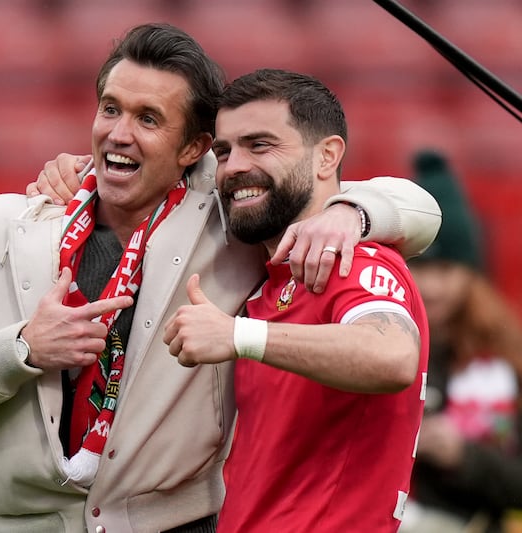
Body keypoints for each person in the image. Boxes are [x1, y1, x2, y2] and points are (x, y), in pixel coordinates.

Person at [0, 24, 440, 532]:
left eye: (148, 119)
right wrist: (22, 348)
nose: (119, 134)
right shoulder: (7, 223)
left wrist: (352, 210)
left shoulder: (232, 217)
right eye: (110, 109)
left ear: (193, 149)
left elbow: (417, 210)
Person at [162, 68, 429, 532]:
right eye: (223, 152)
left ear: (327, 157)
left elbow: (393, 356)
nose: (234, 166)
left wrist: (237, 334)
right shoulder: (272, 281)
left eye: (260, 145)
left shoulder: (354, 262)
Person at [400, 150, 522, 533]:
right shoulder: (378, 339)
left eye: (446, 269)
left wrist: (462, 456)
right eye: (420, 268)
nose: (432, 286)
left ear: (471, 274)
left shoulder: (507, 357)